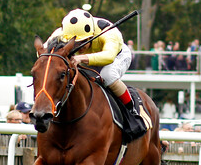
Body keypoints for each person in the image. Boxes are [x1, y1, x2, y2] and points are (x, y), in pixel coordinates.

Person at [47, 8, 151, 139]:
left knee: (108, 76)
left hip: (116, 56)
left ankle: (132, 112)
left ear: (91, 35)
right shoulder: (61, 33)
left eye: (82, 42)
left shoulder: (108, 32)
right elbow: (43, 52)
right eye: (75, 43)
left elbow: (109, 56)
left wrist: (81, 58)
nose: (79, 47)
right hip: (88, 61)